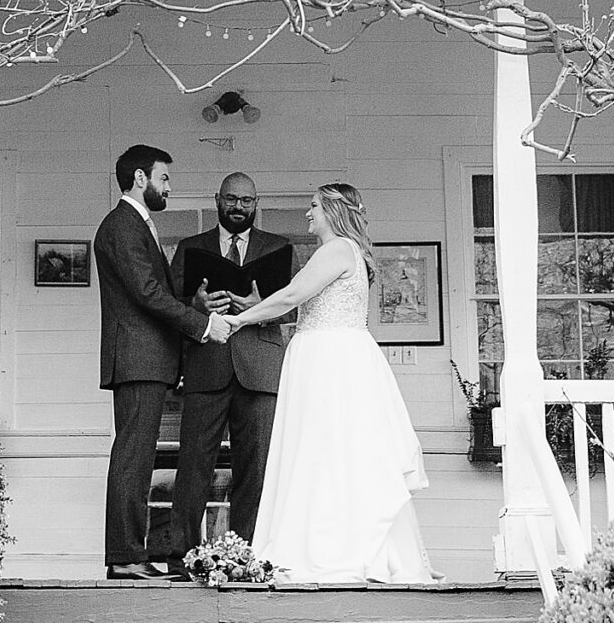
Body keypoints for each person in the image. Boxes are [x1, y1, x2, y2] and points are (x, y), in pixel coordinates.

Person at [221, 182, 435, 583]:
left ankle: (329, 548)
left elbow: (291, 296)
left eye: (314, 206)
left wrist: (238, 320)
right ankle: (343, 541)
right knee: (333, 451)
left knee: (323, 449)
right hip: (331, 354)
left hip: (329, 361)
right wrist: (260, 309)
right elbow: (305, 305)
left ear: (334, 212)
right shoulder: (347, 252)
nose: (308, 213)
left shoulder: (335, 250)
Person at [93, 143, 232, 581]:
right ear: (140, 178)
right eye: (164, 178)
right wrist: (203, 325)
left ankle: (130, 554)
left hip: (146, 359)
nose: (168, 186)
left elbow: (155, 290)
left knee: (138, 456)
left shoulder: (137, 224)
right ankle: (125, 557)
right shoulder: (121, 225)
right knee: (133, 457)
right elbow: (147, 294)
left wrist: (192, 302)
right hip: (137, 359)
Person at [171, 173, 295, 551]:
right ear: (217, 200)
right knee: (193, 467)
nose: (238, 206)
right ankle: (182, 554)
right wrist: (194, 307)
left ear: (256, 203)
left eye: (246, 200)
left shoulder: (279, 247)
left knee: (255, 470)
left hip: (259, 371)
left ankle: (246, 554)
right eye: (230, 199)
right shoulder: (191, 247)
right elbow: (170, 306)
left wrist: (260, 309)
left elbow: (293, 308)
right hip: (205, 367)